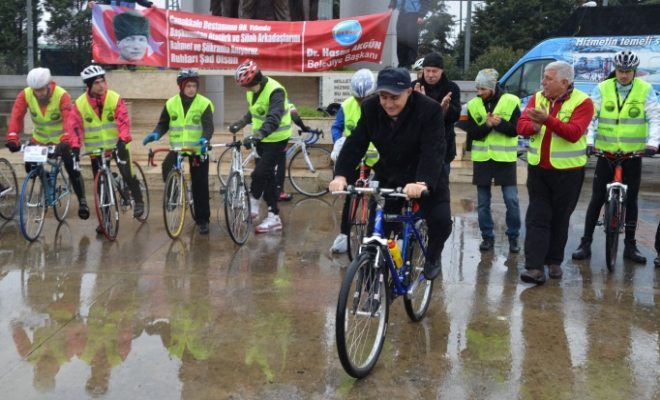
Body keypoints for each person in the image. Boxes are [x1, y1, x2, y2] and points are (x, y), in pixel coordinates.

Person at [329, 67, 453, 280]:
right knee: (376, 232)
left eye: (394, 97)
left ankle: (432, 256)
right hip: (390, 172)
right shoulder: (370, 108)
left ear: (409, 92)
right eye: (383, 97)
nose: (388, 103)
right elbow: (355, 143)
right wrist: (340, 175)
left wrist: (422, 182)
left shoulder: (428, 110)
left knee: (440, 220)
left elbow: (434, 149)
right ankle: (369, 285)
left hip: (425, 173)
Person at [572, 50, 660, 263]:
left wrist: (653, 143)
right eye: (620, 71)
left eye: (628, 71)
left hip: (633, 153)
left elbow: (655, 117)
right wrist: (590, 142)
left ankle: (630, 245)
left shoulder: (645, 90)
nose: (623, 75)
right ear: (615, 69)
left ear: (634, 71)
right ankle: (586, 242)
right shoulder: (602, 88)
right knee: (597, 198)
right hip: (606, 151)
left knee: (631, 200)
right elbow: (592, 117)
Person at [517, 61, 594, 285]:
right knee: (537, 217)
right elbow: (521, 126)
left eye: (548, 79)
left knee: (560, 218)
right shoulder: (537, 98)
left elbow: (574, 133)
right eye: (544, 78)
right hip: (539, 168)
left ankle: (554, 261)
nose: (543, 83)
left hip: (568, 172)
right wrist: (533, 126)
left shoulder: (583, 102)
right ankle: (534, 267)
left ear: (564, 82)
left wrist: (546, 120)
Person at [63, 64, 144, 229]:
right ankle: (105, 220)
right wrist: (76, 146)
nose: (101, 86)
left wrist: (123, 139)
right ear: (89, 86)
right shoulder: (80, 104)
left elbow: (123, 121)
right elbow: (74, 128)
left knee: (127, 173)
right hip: (97, 151)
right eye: (97, 83)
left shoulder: (114, 98)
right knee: (101, 186)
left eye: (102, 81)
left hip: (117, 145)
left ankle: (139, 200)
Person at [5, 67, 89, 220]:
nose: (39, 94)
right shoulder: (25, 95)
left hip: (61, 141)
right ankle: (47, 178)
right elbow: (16, 117)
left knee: (72, 168)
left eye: (42, 90)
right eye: (36, 90)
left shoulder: (62, 96)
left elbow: (69, 121)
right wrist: (12, 137)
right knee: (30, 166)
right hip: (39, 139)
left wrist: (65, 141)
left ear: (49, 85)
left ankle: (82, 201)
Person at [142, 69, 214, 234]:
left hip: (197, 148)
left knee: (199, 184)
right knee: (167, 165)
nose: (191, 89)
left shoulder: (204, 103)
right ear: (181, 86)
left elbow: (209, 126)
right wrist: (156, 134)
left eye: (194, 85)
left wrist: (205, 138)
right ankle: (173, 196)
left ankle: (203, 220)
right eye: (188, 85)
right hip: (178, 148)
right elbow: (163, 124)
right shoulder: (171, 103)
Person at [462, 69, 521, 253]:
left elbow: (516, 130)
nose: (479, 93)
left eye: (482, 89)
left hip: (505, 159)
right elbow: (471, 134)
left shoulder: (511, 101)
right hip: (482, 160)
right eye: (477, 89)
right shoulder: (472, 105)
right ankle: (487, 236)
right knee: (482, 202)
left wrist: (500, 124)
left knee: (511, 200)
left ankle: (513, 237)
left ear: (493, 86)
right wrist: (487, 125)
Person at [229, 59, 291, 233]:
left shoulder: (275, 91)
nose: (246, 90)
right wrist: (241, 122)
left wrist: (257, 135)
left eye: (247, 85)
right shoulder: (252, 92)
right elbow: (255, 111)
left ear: (255, 80)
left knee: (259, 173)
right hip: (262, 139)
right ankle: (273, 217)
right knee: (268, 177)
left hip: (277, 139)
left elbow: (274, 117)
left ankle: (254, 204)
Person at [329, 69, 378, 254]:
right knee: (350, 197)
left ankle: (376, 235)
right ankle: (344, 235)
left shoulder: (381, 105)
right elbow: (337, 127)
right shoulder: (347, 105)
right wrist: (338, 142)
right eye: (359, 99)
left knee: (377, 197)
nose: (361, 102)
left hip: (377, 157)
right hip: (354, 157)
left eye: (365, 98)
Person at [412, 52, 461, 178]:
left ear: (442, 71)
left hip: (443, 148)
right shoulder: (414, 87)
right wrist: (419, 104)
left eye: (435, 71)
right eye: (427, 71)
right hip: (417, 148)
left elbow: (456, 116)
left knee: (440, 188)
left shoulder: (452, 88)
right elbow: (407, 117)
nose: (430, 75)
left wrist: (445, 110)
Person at [275, 101, 312, 202]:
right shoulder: (287, 102)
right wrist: (304, 128)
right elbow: (295, 118)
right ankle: (279, 192)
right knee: (281, 165)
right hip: (278, 137)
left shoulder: (268, 100)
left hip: (265, 135)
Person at [388, 0, 430, 69]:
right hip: (401, 13)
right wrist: (391, 7)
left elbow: (425, 2)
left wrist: (421, 15)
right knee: (400, 39)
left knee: (411, 39)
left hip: (413, 15)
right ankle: (401, 63)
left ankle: (410, 63)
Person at [88, 0, 153, 9]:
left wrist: (150, 5)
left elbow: (141, 1)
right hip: (113, 22)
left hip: (129, 22)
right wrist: (95, 4)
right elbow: (105, 2)